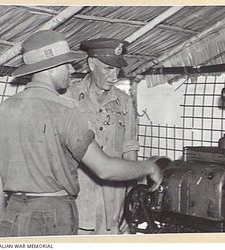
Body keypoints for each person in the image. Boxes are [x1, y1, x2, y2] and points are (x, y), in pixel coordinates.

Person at [0, 30, 162, 237]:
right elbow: (104, 167)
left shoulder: (5, 108)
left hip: (22, 211)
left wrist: (1, 223)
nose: (71, 69)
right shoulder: (66, 105)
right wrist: (149, 167)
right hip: (64, 209)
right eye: (65, 64)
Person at [64, 38, 139, 235]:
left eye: (117, 70)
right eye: (107, 69)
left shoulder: (124, 102)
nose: (114, 76)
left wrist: (131, 204)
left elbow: (129, 152)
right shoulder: (69, 99)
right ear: (91, 64)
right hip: (79, 200)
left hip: (114, 201)